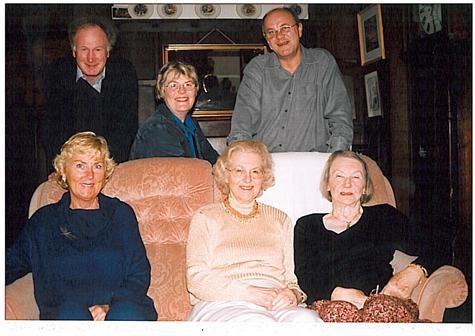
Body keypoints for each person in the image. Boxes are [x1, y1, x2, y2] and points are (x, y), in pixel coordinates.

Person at [6, 131, 157, 321]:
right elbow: (10, 264)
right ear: (63, 171)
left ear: (106, 172)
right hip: (66, 317)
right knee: (71, 315)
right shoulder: (43, 222)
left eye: (97, 166)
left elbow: (139, 273)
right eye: (80, 166)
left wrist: (109, 307)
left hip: (122, 310)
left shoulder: (121, 214)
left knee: (125, 314)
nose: (89, 175)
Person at [186, 140, 320, 322]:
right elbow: (196, 279)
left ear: (263, 177)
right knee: (257, 324)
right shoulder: (206, 217)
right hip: (223, 300)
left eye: (255, 171)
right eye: (239, 171)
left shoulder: (280, 219)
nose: (247, 179)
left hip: (275, 301)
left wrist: (294, 295)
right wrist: (251, 293)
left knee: (307, 322)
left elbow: (291, 280)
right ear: (226, 175)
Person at [294, 150, 440, 308]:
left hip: (379, 304)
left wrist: (414, 272)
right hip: (330, 306)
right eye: (339, 176)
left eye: (356, 177)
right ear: (328, 184)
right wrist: (336, 293)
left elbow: (439, 245)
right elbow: (306, 277)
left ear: (364, 187)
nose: (347, 184)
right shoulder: (307, 226)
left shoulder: (384, 217)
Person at [228, 7, 353, 153]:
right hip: (267, 164)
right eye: (271, 32)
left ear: (299, 29)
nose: (279, 36)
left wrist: (334, 162)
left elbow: (340, 118)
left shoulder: (322, 63)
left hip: (314, 163)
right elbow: (242, 124)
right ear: (267, 40)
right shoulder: (257, 69)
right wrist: (242, 161)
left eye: (285, 28)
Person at [40, 16, 138, 169]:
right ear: (74, 52)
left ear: (108, 52)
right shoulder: (56, 75)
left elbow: (126, 130)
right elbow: (51, 132)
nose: (91, 58)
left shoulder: (124, 74)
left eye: (97, 50)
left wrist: (103, 168)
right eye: (84, 50)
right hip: (69, 166)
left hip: (110, 163)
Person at [129, 61, 219, 164]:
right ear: (162, 91)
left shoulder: (190, 124)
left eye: (188, 84)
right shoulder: (157, 129)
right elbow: (182, 172)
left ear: (196, 90)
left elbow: (215, 161)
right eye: (173, 85)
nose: (182, 91)